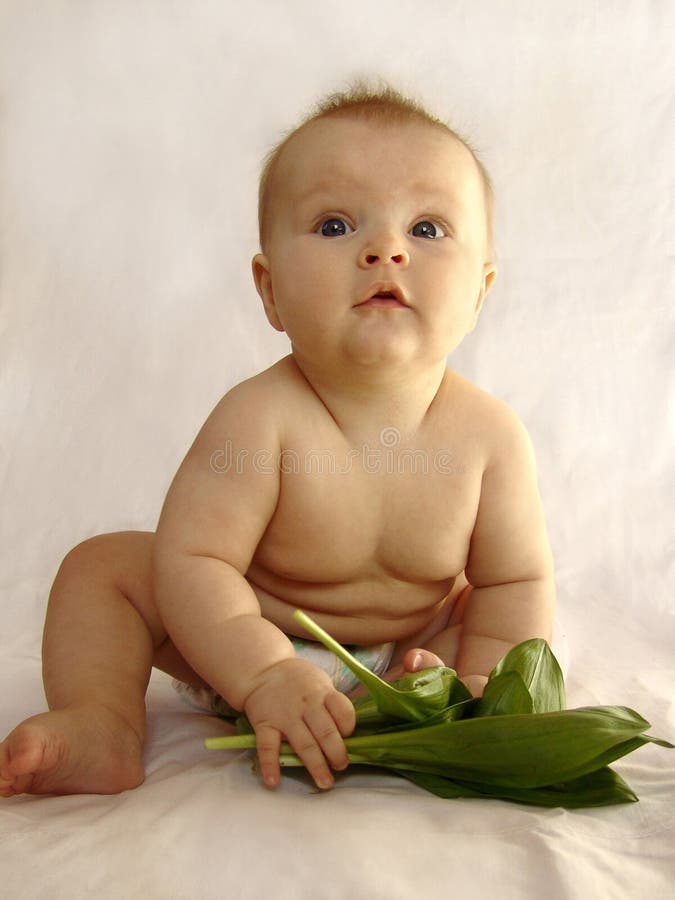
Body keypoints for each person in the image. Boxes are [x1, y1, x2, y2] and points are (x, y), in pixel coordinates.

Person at [0, 83, 555, 797]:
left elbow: (515, 581)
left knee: (476, 609)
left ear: (480, 292)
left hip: (408, 667)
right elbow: (196, 559)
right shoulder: (259, 419)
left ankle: (415, 711)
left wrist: (483, 681)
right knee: (104, 568)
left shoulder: (490, 438)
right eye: (333, 226)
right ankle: (102, 723)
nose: (385, 250)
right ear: (270, 292)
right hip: (239, 643)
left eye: (425, 229)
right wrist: (262, 669)